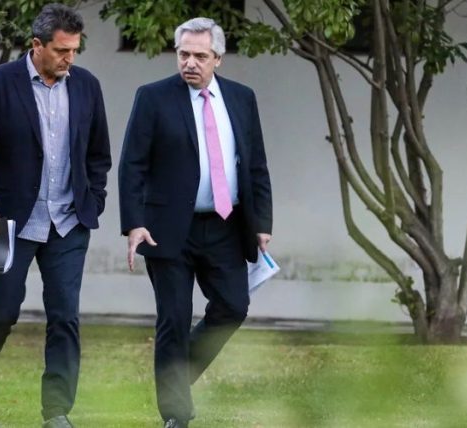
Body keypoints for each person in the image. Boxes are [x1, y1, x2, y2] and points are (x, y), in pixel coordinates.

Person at [118, 17, 273, 428]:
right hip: (166, 228)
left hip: (226, 225)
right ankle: (176, 415)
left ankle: (175, 377)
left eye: (200, 56)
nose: (190, 62)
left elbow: (255, 164)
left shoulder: (241, 98)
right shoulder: (153, 98)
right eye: (183, 54)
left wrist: (262, 222)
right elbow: (132, 165)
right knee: (174, 318)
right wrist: (133, 223)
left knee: (233, 307)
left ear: (217, 58)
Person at [0, 3, 111, 427]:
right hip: (3, 222)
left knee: (64, 317)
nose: (69, 58)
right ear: (37, 45)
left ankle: (56, 412)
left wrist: (93, 200)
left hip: (69, 223)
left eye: (75, 50)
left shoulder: (87, 86)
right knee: (1, 312)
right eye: (62, 50)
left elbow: (99, 153)